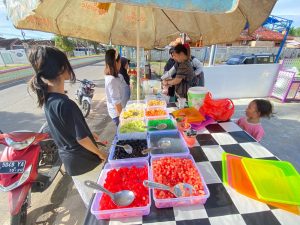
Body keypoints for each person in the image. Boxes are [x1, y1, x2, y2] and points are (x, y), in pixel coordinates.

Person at [28, 46, 108, 207]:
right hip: (85, 162)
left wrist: (90, 133)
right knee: (101, 201)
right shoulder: (66, 104)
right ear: (62, 68)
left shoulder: (48, 100)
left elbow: (66, 128)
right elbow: (82, 139)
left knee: (90, 201)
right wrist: (101, 154)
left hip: (72, 163)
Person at [104, 49, 127, 126]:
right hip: (117, 114)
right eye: (120, 61)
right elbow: (116, 103)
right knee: (122, 132)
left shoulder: (115, 77)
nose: (120, 64)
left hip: (120, 110)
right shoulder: (111, 80)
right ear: (115, 63)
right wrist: (123, 120)